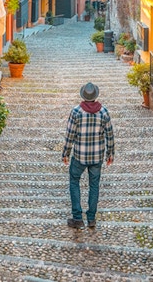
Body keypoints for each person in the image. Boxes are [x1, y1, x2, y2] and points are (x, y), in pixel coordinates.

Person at [62, 82, 114, 229]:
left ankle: (77, 218)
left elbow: (69, 135)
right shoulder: (104, 112)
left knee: (74, 182)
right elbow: (110, 135)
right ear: (95, 96)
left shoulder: (76, 112)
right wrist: (110, 154)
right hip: (97, 157)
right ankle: (91, 219)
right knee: (94, 186)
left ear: (83, 95)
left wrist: (65, 153)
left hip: (79, 156)